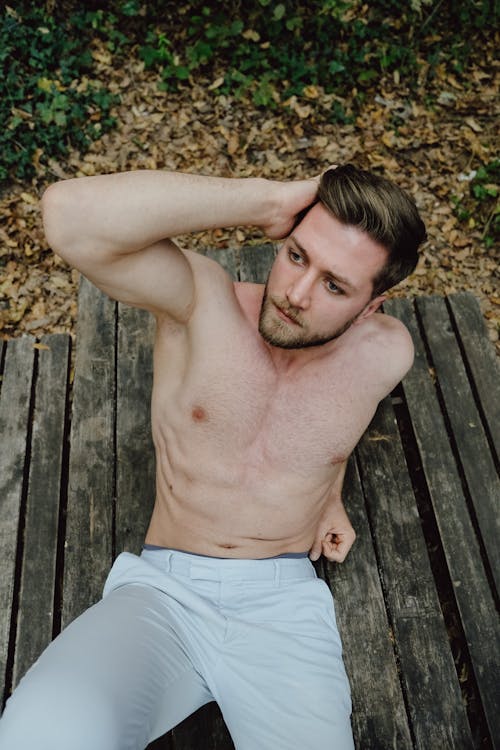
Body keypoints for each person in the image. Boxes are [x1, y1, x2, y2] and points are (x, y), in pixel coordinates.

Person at [0, 164, 426, 749]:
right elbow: (68, 218)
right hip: (164, 594)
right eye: (297, 256)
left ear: (373, 304)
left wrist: (329, 494)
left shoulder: (385, 354)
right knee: (42, 731)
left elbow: (332, 427)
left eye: (335, 286)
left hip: (285, 610)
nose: (296, 295)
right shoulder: (200, 303)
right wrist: (267, 202)